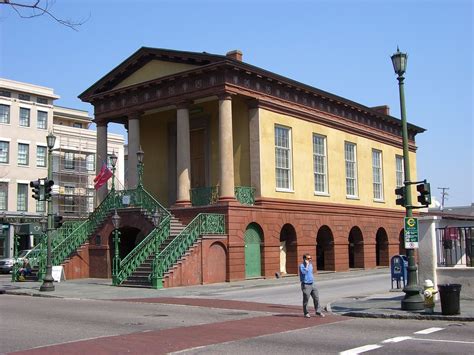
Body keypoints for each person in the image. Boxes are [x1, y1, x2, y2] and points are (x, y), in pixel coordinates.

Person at [299, 253, 324, 318]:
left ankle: (318, 311)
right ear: (304, 259)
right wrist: (306, 265)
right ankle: (306, 313)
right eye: (308, 258)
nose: (310, 260)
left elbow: (311, 273)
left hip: (312, 284)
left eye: (310, 258)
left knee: (316, 298)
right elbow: (304, 272)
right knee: (306, 299)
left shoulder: (310, 265)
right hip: (306, 285)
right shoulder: (301, 265)